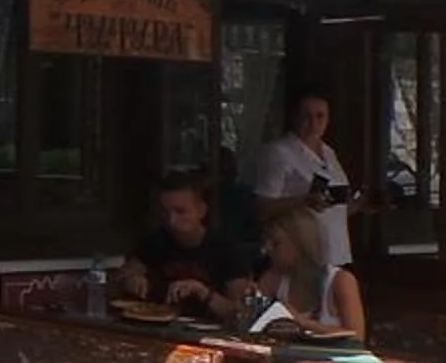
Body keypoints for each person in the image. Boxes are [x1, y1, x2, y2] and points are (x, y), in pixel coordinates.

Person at [116, 172, 256, 320]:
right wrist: (130, 280)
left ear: (201, 211)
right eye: (165, 212)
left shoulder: (227, 249)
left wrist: (201, 292)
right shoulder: (155, 242)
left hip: (210, 327)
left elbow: (240, 310)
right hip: (160, 324)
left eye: (181, 212)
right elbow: (119, 278)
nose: (171, 220)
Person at [256, 92, 362, 274]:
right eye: (306, 116)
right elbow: (260, 208)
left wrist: (360, 204)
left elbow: (334, 210)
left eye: (320, 116)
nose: (313, 123)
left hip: (337, 252)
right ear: (294, 117)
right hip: (301, 252)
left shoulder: (328, 152)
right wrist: (303, 200)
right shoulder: (279, 152)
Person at [260, 205, 365, 339]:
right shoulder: (272, 279)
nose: (267, 249)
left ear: (300, 243)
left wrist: (303, 323)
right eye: (266, 243)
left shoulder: (340, 281)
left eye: (275, 243)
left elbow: (357, 338)